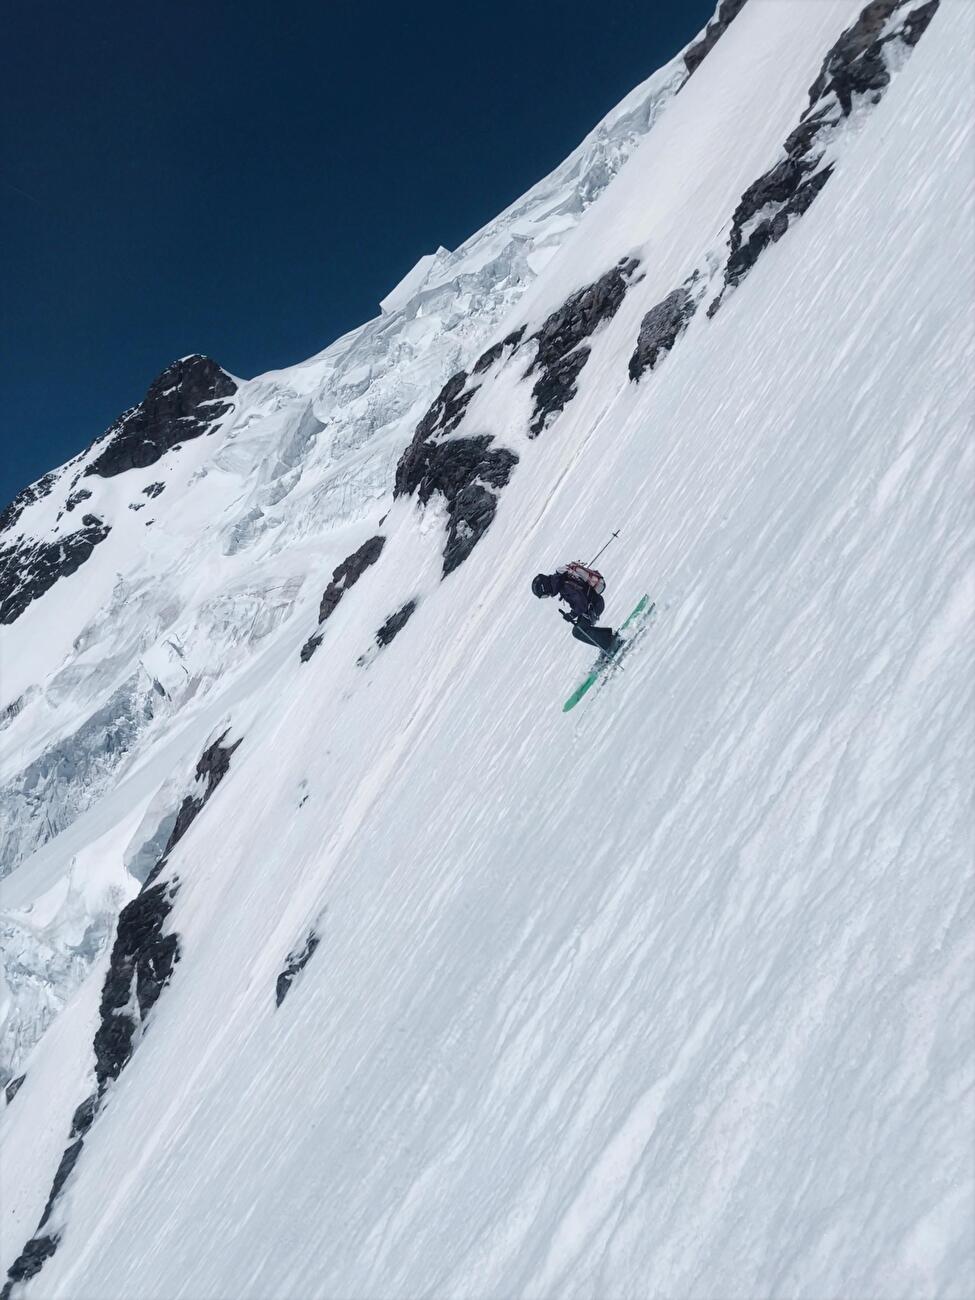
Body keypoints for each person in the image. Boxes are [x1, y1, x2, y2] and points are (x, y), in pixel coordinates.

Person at [532, 563, 621, 656]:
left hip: (594, 606)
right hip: (593, 604)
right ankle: (609, 641)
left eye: (545, 595)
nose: (548, 596)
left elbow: (582, 603)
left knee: (578, 632)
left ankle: (610, 643)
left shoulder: (564, 586)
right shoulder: (560, 579)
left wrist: (572, 614)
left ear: (545, 588)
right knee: (580, 628)